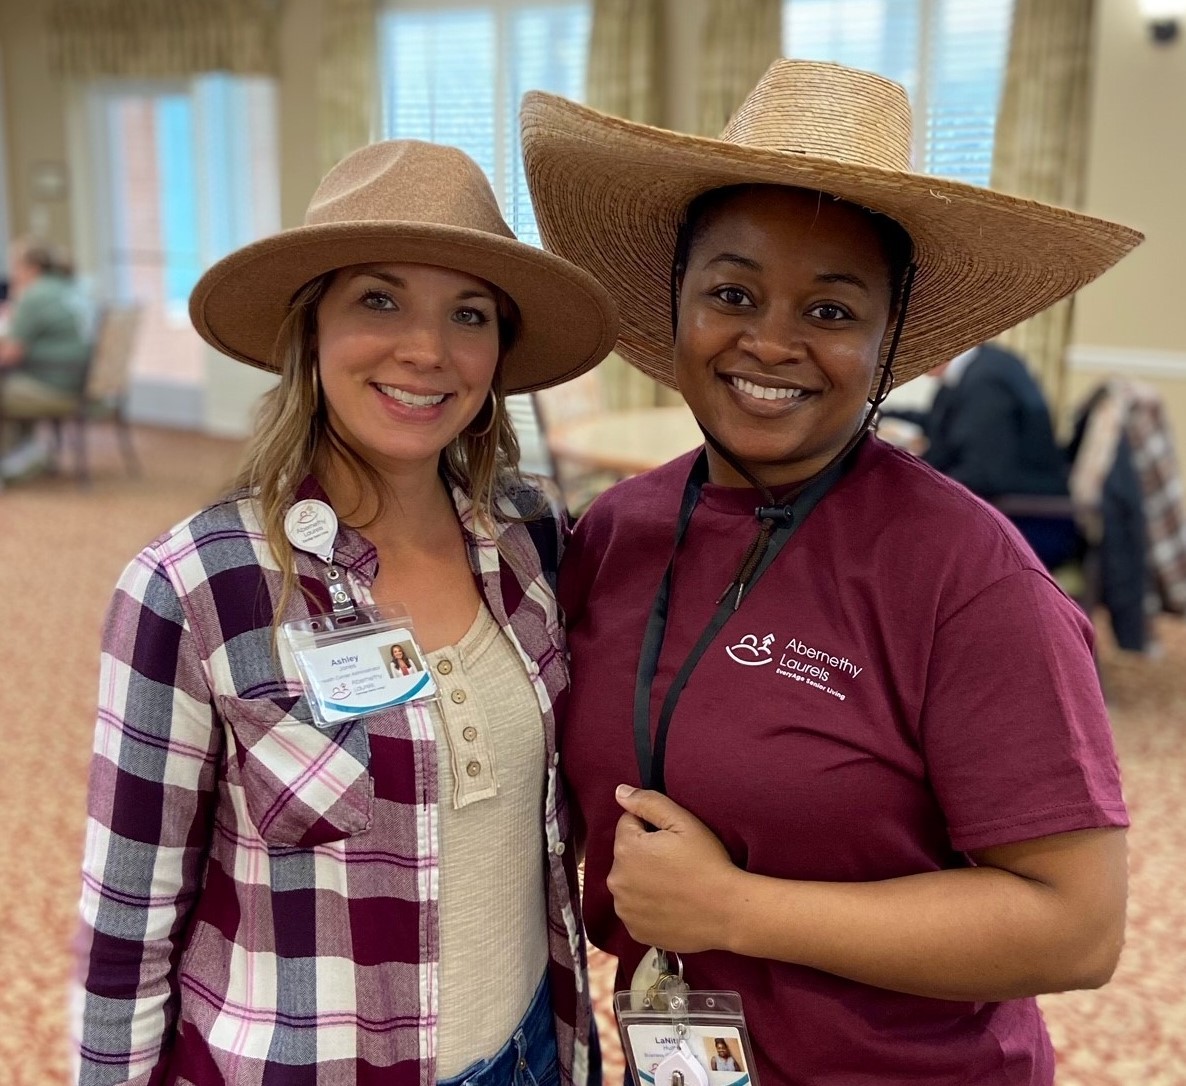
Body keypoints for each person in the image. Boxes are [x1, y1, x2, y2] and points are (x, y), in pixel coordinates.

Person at [521, 60, 1139, 1085]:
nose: (769, 340)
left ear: (889, 342)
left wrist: (736, 911)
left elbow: (1077, 928)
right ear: (673, 303)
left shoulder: (966, 576)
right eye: (731, 292)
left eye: (832, 311)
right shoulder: (615, 534)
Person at [72, 140, 617, 1086]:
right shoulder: (199, 587)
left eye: (469, 313)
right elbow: (127, 927)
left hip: (535, 1049)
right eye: (379, 298)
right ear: (309, 326)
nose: (428, 350)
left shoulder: (533, 538)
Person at [918, 342, 1079, 568]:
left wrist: (917, 485)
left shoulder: (985, 384)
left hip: (1028, 520)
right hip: (1017, 508)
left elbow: (983, 475)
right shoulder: (986, 365)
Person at [0, 238, 91, 476]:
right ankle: (24, 452)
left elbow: (10, 355)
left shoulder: (35, 295)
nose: (12, 273)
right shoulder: (67, 286)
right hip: (78, 378)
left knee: (6, 381)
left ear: (32, 268)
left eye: (15, 266)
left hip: (58, 383)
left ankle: (15, 458)